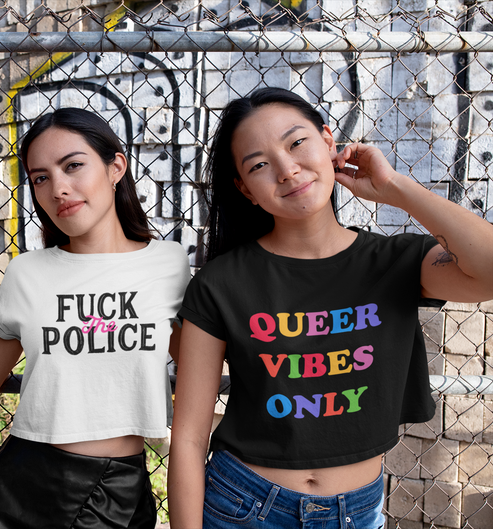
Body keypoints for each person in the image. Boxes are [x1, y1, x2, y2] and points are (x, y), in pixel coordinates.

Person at [168, 87, 493, 529]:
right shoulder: (221, 283)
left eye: (297, 142)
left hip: (357, 512)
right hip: (245, 504)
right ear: (245, 189)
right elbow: (187, 438)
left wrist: (395, 187)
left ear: (328, 141)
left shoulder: (396, 262)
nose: (287, 169)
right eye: (259, 164)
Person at [0, 108, 190, 529]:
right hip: (23, 488)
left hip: (119, 486)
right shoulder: (29, 273)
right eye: (41, 177)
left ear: (116, 166)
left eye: (74, 166)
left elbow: (204, 365)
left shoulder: (169, 266)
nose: (58, 189)